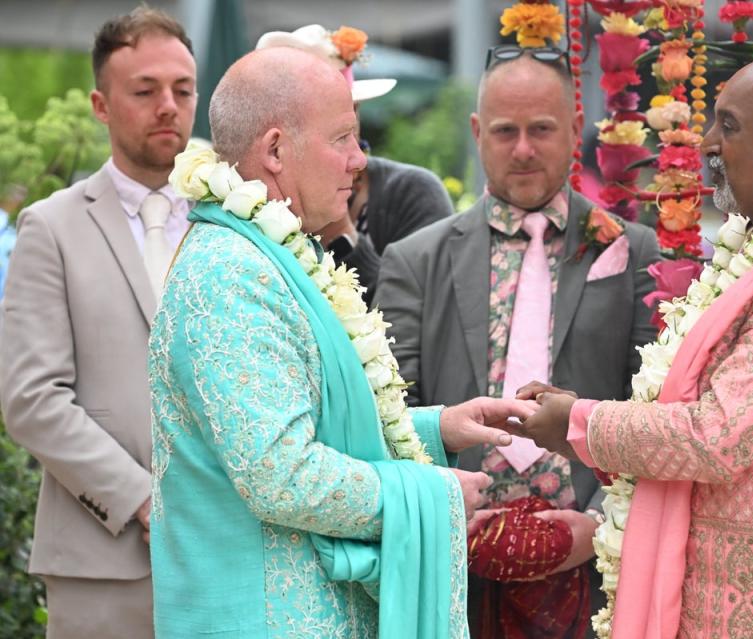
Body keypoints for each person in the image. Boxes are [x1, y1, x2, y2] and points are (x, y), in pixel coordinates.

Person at [507, 56, 753, 639]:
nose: (709, 143)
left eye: (730, 126)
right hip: (727, 599)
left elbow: (715, 437)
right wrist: (576, 420)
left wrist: (579, 423)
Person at [149, 46, 534, 638]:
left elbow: (311, 421)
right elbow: (283, 475)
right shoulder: (229, 274)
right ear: (276, 150)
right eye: (344, 138)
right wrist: (431, 493)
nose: (360, 162)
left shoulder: (271, 254)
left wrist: (436, 428)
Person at [375, 47, 660, 638]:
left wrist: (604, 524)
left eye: (542, 130)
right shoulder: (414, 261)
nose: (524, 149)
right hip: (457, 571)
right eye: (506, 131)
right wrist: (446, 510)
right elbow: (388, 418)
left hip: (597, 567)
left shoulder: (633, 251)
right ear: (478, 132)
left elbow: (655, 411)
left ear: (576, 130)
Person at [0, 8, 196, 638]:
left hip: (233, 552)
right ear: (101, 104)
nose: (168, 106)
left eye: (183, 90)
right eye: (145, 91)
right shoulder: (50, 227)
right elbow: (30, 399)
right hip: (102, 563)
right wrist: (140, 497)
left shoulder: (241, 217)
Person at [256, 24, 454, 301]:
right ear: (275, 144)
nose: (349, 144)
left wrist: (342, 233)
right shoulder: (245, 200)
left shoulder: (411, 193)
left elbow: (424, 313)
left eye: (348, 115)